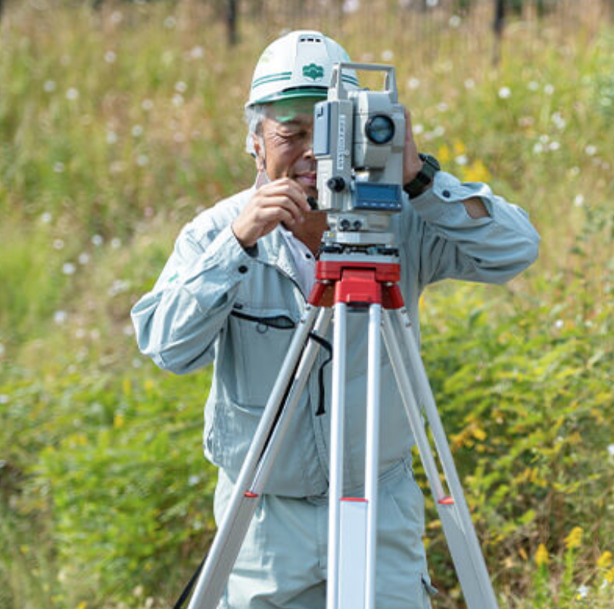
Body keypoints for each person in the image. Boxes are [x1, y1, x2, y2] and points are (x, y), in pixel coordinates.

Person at [132, 30, 539, 609]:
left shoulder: (401, 221)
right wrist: (236, 245)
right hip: (264, 521)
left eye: (328, 132)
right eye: (291, 134)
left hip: (378, 505)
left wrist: (420, 180)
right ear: (256, 142)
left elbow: (514, 249)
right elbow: (167, 346)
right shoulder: (217, 232)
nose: (310, 153)